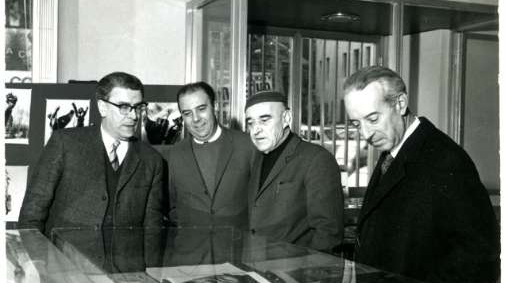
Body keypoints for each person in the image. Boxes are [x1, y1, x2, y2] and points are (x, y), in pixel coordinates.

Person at [343, 65, 499, 283]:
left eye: (373, 119)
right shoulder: (393, 150)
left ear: (400, 103)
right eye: (357, 124)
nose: (366, 134)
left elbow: (482, 254)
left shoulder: (445, 159)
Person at [18, 72, 165, 249]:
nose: (134, 116)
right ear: (102, 107)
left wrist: (150, 266)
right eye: (124, 107)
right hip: (65, 262)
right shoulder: (65, 143)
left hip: (126, 265)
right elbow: (32, 213)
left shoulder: (152, 160)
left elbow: (152, 230)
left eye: (138, 107)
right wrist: (36, 260)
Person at [164, 82, 254, 262]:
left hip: (237, 256)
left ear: (215, 107)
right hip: (189, 260)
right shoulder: (173, 155)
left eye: (201, 109)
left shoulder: (248, 145)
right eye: (187, 113)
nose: (196, 119)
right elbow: (171, 208)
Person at [245, 90, 344, 252]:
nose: (256, 130)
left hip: (296, 265)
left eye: (264, 120)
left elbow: (328, 233)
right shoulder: (256, 158)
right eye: (250, 123)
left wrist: (305, 267)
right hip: (256, 262)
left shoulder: (316, 158)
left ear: (286, 118)